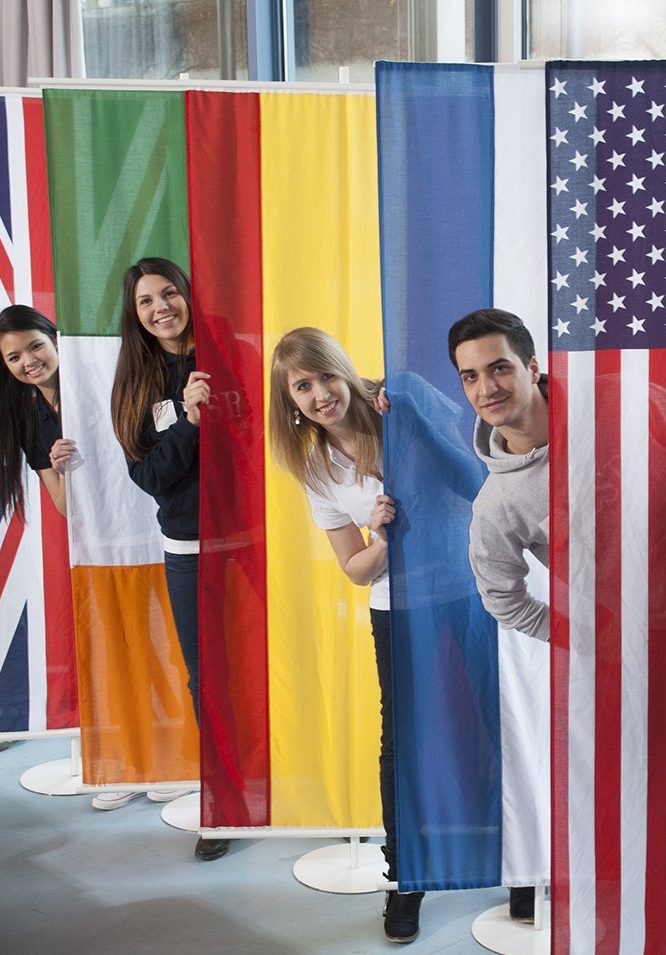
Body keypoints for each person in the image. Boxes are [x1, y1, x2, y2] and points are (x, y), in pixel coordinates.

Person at [267, 327, 422, 943]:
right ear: (292, 402)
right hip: (398, 607)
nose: (320, 393)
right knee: (401, 744)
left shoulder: (398, 405)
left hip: (472, 595)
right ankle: (405, 877)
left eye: (325, 375)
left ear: (343, 370)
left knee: (487, 723)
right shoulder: (317, 469)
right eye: (302, 387)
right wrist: (381, 537)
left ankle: (516, 869)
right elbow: (355, 570)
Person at [109, 257, 223, 859]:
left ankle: (303, 792)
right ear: (135, 316)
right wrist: (189, 421)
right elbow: (151, 476)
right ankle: (225, 802)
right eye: (146, 301)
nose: (161, 307)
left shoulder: (231, 347)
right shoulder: (135, 382)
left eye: (169, 293)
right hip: (189, 548)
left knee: (275, 661)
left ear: (187, 293)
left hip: (257, 539)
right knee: (206, 675)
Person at [447, 307, 547, 925]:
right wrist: (579, 636)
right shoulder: (496, 504)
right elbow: (503, 599)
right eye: (470, 376)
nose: (486, 388)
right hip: (613, 653)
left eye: (500, 367)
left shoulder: (606, 410)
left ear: (533, 366)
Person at [0, 305, 77, 520]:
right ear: (6, 366)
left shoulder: (102, 388)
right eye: (14, 357)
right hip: (103, 539)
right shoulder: (31, 426)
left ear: (54, 339)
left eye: (36, 346)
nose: (29, 361)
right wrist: (66, 473)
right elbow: (64, 508)